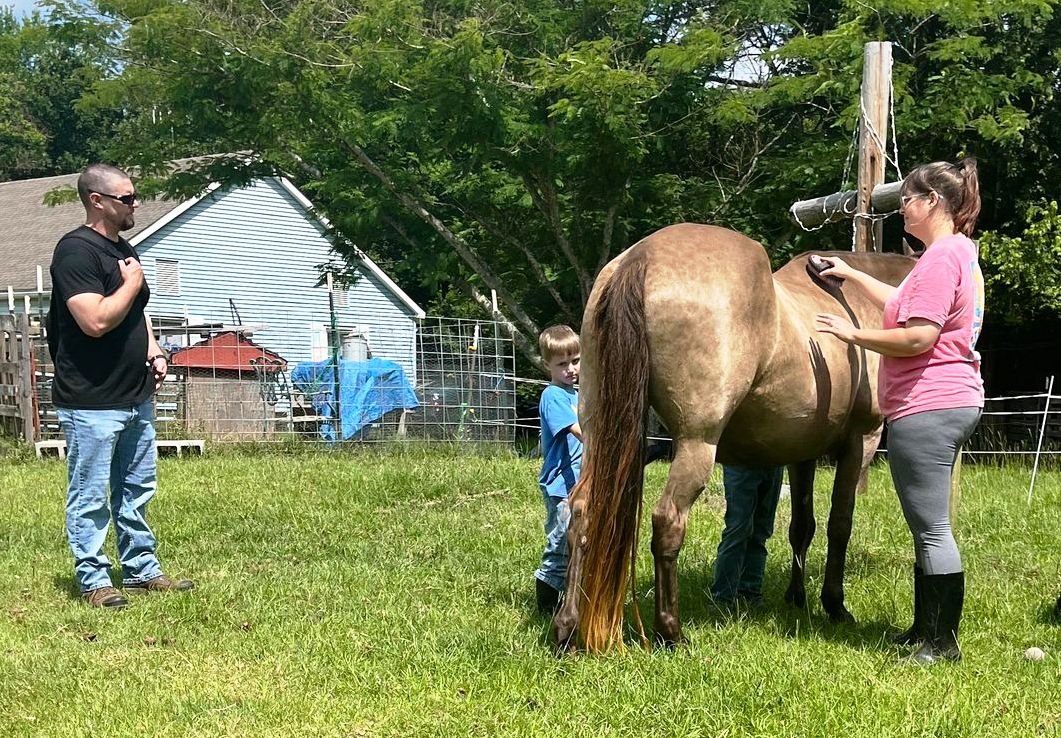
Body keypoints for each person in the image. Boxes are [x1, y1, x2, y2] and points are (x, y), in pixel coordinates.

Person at [815, 158, 985, 664]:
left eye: (908, 199)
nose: (902, 208)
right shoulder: (955, 254)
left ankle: (939, 644)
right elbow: (904, 302)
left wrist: (852, 334)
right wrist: (850, 274)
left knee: (932, 526)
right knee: (925, 522)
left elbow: (918, 335)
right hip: (949, 398)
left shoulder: (938, 258)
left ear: (932, 202)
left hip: (929, 401)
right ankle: (923, 630)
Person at [48, 163, 195, 609]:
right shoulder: (76, 252)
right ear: (98, 200)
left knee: (136, 489)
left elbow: (136, 313)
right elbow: (94, 320)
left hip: (135, 395)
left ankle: (141, 570)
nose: (136, 204)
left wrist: (154, 348)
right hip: (93, 399)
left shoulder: (122, 248)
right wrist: (131, 283)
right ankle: (94, 580)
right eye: (127, 198)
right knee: (91, 493)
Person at [533, 325, 583, 615]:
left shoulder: (576, 395)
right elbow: (580, 432)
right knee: (560, 544)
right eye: (562, 364)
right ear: (547, 365)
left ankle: (570, 599)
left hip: (578, 484)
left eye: (575, 361)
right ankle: (546, 609)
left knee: (577, 542)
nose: (570, 369)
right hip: (560, 487)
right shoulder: (553, 396)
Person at [711, 465, 785, 608]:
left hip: (774, 462)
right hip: (742, 460)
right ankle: (723, 598)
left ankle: (749, 594)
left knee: (760, 531)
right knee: (738, 530)